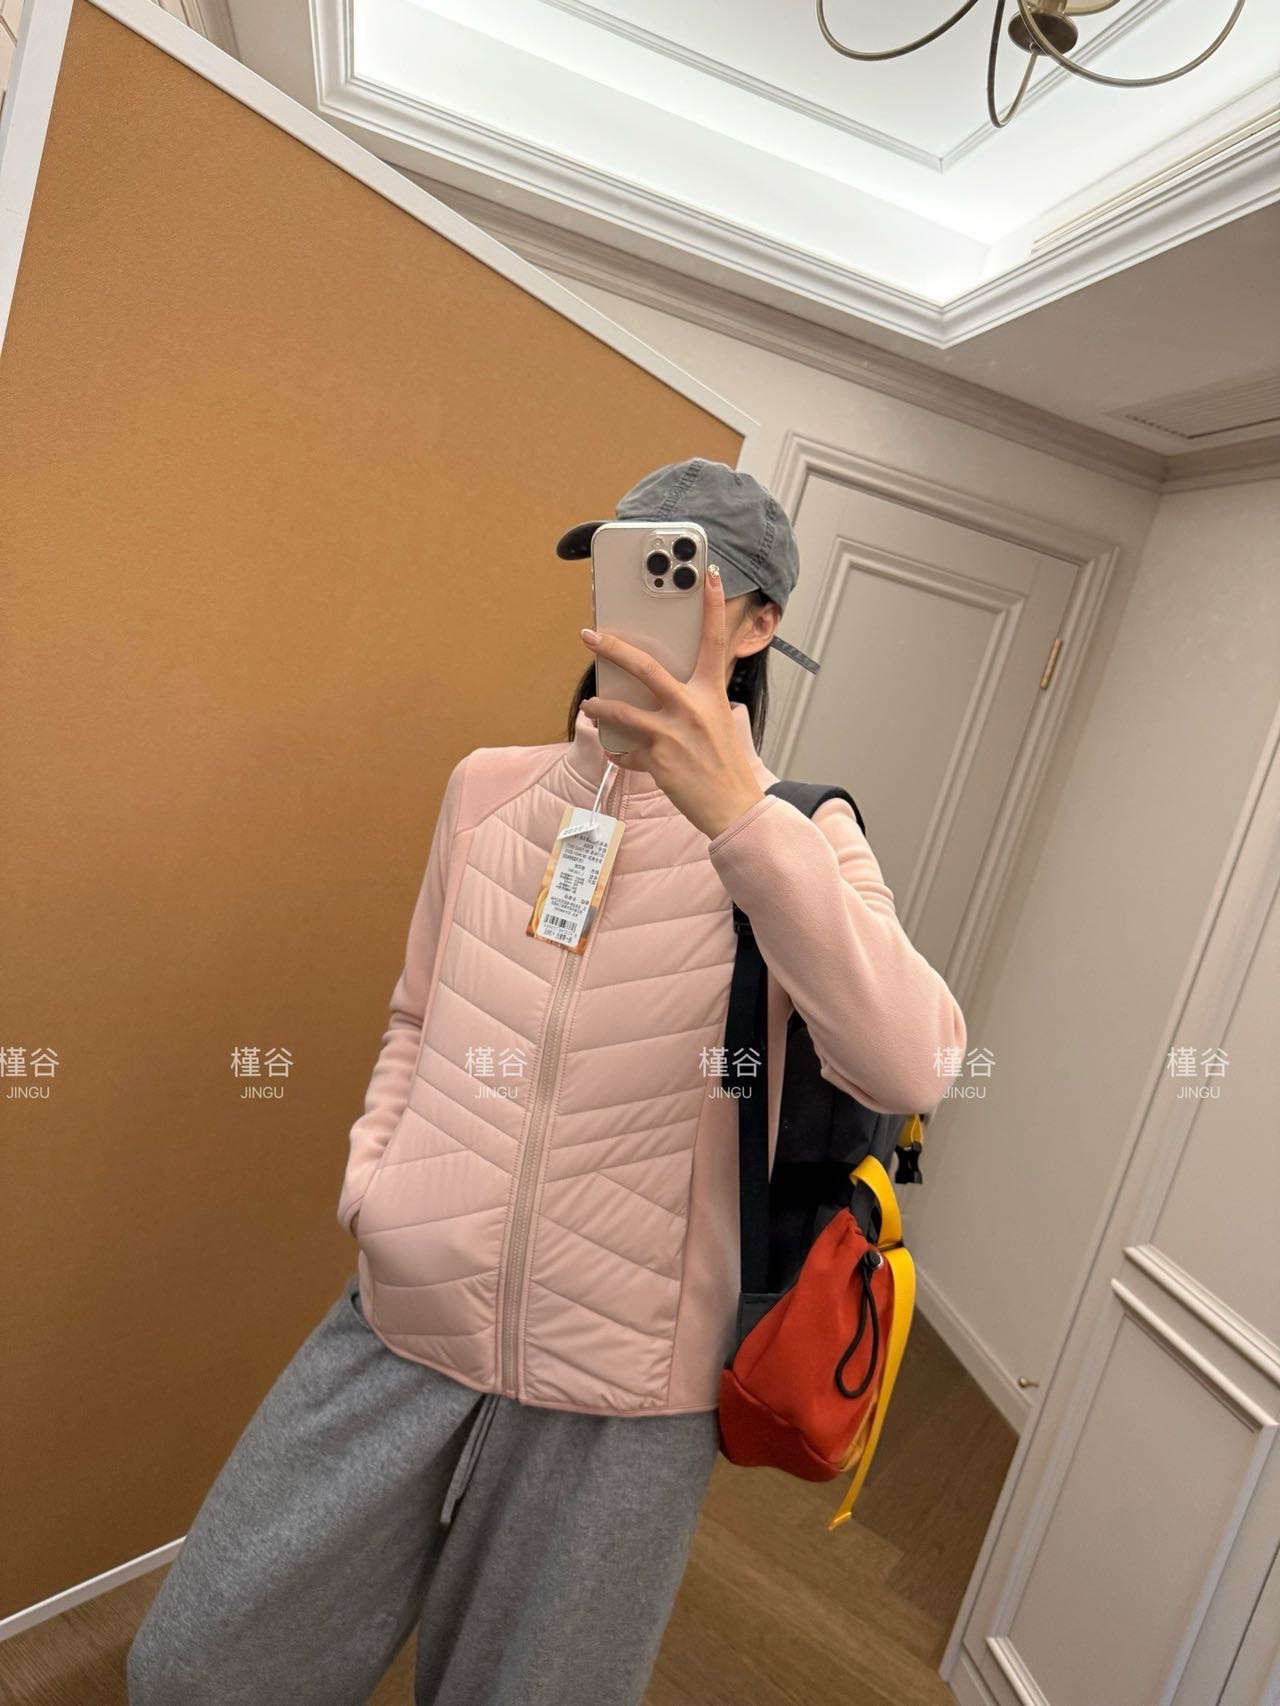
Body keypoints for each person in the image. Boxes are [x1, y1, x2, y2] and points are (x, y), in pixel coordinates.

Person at [127, 458, 966, 1706]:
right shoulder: (487, 791)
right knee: (198, 1665)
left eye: (682, 576)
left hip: (624, 1392)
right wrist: (379, 1191)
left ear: (755, 624)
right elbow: (416, 1014)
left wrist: (742, 820)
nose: (639, 600)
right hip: (407, 1316)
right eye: (622, 566)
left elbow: (912, 1060)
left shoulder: (801, 837)